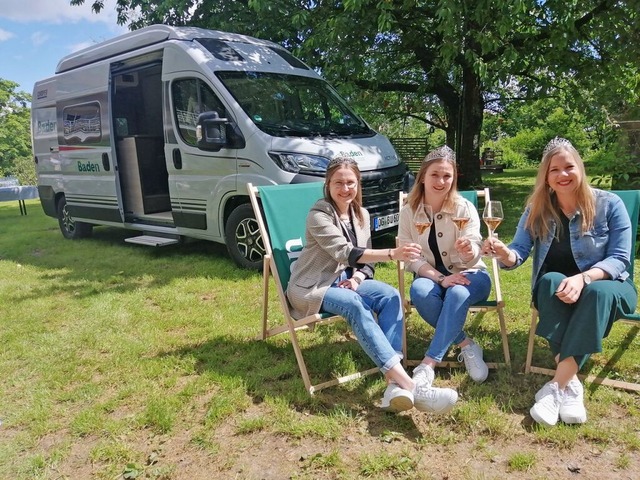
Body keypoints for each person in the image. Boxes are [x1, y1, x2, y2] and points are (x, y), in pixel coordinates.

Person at [483, 137, 638, 426]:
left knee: (597, 293)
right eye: (555, 170)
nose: (562, 175)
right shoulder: (537, 209)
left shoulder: (609, 204)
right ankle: (572, 385)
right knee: (550, 280)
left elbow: (620, 259)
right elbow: (517, 254)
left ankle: (555, 387)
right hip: (557, 291)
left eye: (569, 167)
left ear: (580, 168)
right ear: (546, 176)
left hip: (610, 287)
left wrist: (584, 278)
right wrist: (504, 253)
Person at [287, 156, 458, 414]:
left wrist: (356, 279)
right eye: (339, 183)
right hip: (312, 288)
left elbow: (365, 264)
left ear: (358, 184)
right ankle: (410, 385)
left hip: (345, 282)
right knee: (355, 305)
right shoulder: (318, 215)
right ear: (328, 184)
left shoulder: (362, 215)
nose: (346, 188)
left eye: (351, 183)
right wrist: (392, 253)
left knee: (391, 296)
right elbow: (346, 252)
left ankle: (393, 386)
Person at [398, 145, 493, 400]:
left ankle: (428, 364)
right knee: (419, 290)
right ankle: (466, 344)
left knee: (458, 292)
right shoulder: (409, 211)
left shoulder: (463, 208)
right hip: (432, 276)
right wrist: (441, 278)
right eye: (435, 175)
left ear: (453, 178)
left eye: (447, 176)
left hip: (471, 275)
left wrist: (467, 250)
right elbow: (410, 256)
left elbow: (475, 250)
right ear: (423, 177)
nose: (441, 181)